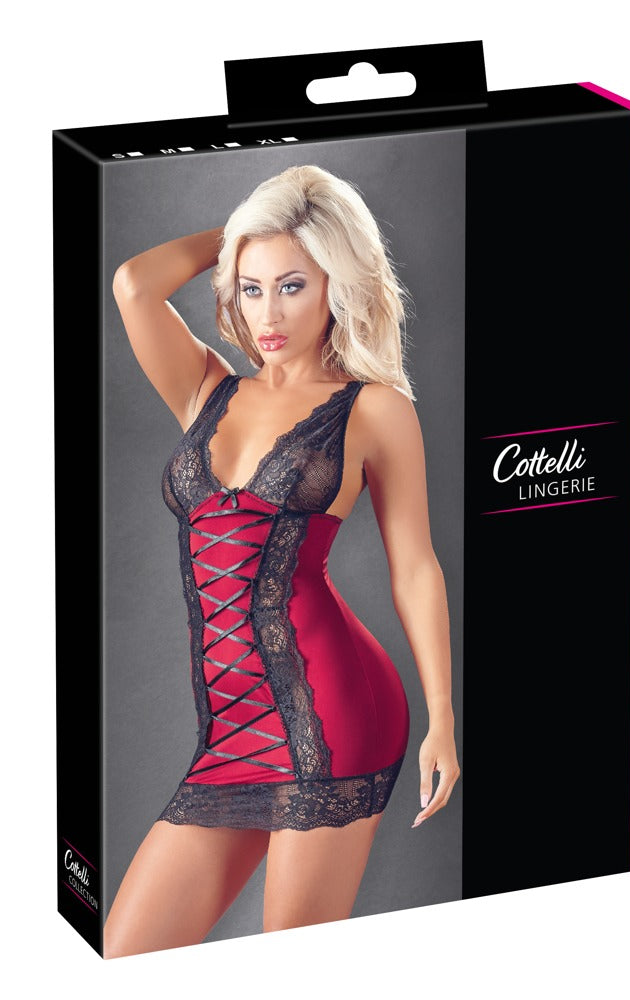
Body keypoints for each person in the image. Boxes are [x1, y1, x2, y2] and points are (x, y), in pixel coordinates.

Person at [104, 164, 460, 958]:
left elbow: (415, 566)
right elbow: (134, 285)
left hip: (331, 709)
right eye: (251, 287)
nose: (267, 313)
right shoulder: (207, 390)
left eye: (292, 286)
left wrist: (442, 715)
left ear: (337, 281)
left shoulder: (375, 409)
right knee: (125, 958)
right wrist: (249, 231)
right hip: (227, 721)